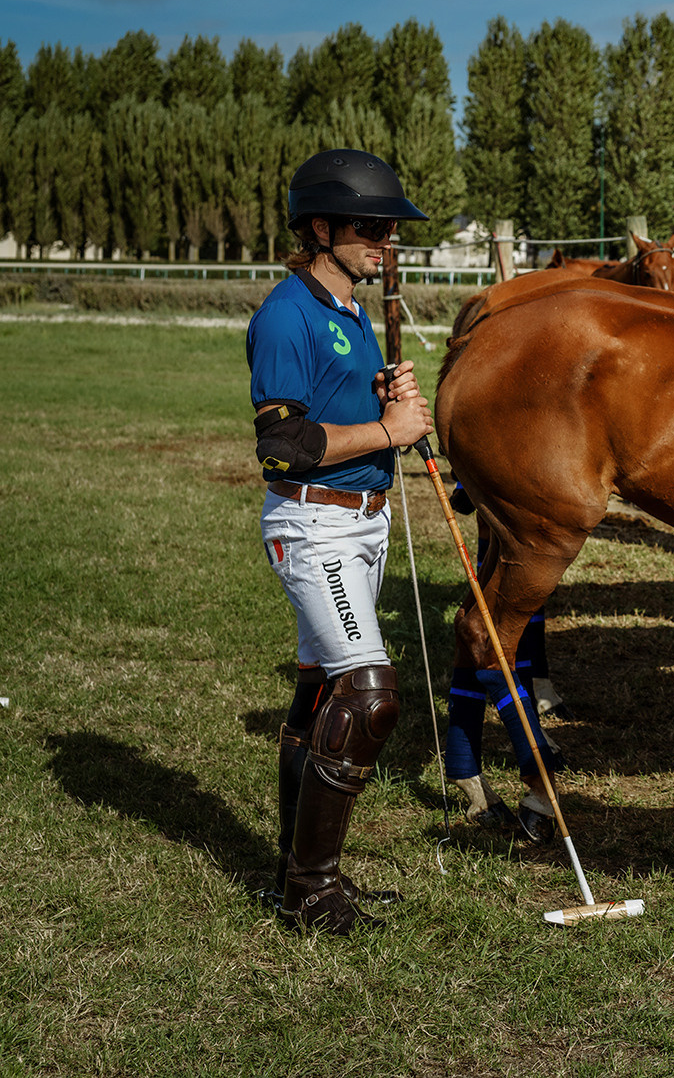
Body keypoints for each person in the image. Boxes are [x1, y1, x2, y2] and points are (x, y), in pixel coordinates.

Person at [247, 148, 432, 934]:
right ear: (319, 227)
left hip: (365, 520)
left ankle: (298, 870)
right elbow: (282, 442)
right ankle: (310, 891)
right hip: (312, 520)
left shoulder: (351, 308)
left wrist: (390, 396)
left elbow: (338, 405)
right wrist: (387, 428)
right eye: (369, 226)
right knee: (369, 695)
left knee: (321, 691)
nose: (384, 241)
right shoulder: (285, 313)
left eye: (390, 229)